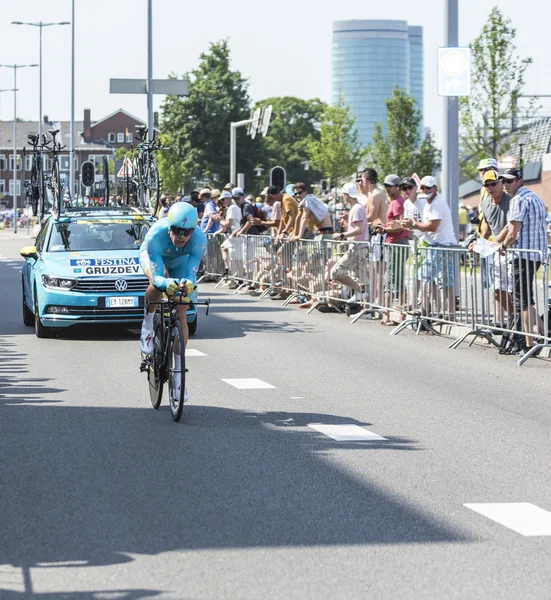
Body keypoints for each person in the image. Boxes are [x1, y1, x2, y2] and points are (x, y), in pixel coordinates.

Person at [139, 202, 207, 403]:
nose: (182, 236)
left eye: (187, 232)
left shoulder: (199, 240)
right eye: (177, 230)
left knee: (183, 305)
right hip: (156, 257)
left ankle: (178, 374)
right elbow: (159, 274)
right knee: (156, 285)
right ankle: (148, 325)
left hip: (181, 261)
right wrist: (164, 282)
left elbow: (192, 274)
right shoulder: (155, 236)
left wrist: (188, 284)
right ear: (169, 227)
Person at [497, 168, 547, 353]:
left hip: (523, 255)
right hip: (536, 254)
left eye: (509, 181)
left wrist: (503, 246)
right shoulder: (535, 197)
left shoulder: (518, 199)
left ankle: (529, 344)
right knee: (527, 299)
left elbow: (512, 232)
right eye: (503, 181)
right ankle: (543, 333)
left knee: (522, 301)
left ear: (519, 181)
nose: (505, 185)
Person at [401, 175, 457, 318]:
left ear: (435, 188)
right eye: (423, 187)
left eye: (429, 187)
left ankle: (424, 310)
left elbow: (432, 226)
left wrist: (413, 224)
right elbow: (426, 227)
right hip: (441, 245)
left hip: (441, 245)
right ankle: (449, 313)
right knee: (444, 281)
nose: (425, 190)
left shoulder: (437, 203)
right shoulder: (428, 204)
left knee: (425, 276)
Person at [475, 169, 513, 325]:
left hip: (511, 248)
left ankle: (517, 321)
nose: (490, 188)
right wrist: (480, 245)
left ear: (501, 184)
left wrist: (494, 242)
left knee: (512, 290)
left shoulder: (511, 201)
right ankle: (513, 319)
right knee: (497, 289)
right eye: (487, 185)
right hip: (496, 250)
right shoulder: (485, 203)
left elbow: (509, 226)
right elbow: (488, 227)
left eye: (493, 184)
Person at [330, 182, 369, 302]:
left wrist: (342, 234)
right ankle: (367, 307)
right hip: (359, 247)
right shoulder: (357, 208)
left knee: (336, 272)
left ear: (346, 195)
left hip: (357, 247)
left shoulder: (357, 208)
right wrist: (347, 225)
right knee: (363, 279)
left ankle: (360, 291)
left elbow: (359, 230)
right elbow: (357, 230)